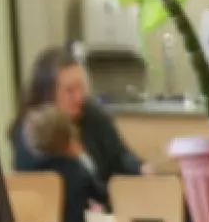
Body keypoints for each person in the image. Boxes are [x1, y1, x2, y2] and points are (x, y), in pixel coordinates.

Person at [16, 48, 144, 186]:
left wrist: (141, 168)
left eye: (81, 88)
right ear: (48, 95)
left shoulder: (91, 113)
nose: (79, 97)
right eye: (70, 90)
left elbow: (120, 156)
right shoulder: (35, 132)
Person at [19, 103, 103, 222]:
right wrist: (82, 158)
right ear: (70, 137)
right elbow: (102, 195)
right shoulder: (77, 171)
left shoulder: (27, 176)